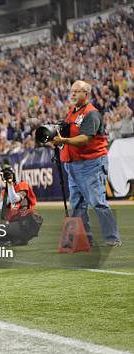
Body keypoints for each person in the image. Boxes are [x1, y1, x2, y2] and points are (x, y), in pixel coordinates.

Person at [52, 80, 120, 246]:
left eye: (77, 91)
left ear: (86, 94)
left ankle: (112, 238)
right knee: (77, 204)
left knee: (97, 201)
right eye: (72, 91)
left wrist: (64, 140)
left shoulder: (91, 113)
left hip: (91, 163)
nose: (73, 94)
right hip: (73, 164)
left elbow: (85, 139)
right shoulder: (72, 112)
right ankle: (85, 239)